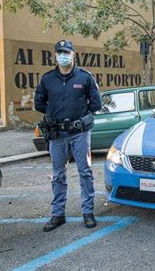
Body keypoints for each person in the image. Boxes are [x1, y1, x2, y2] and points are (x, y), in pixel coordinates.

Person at [35, 40, 102, 232]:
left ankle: (88, 212)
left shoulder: (85, 77)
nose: (62, 56)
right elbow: (38, 103)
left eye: (66, 52)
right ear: (55, 55)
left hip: (79, 133)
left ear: (73, 55)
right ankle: (58, 215)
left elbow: (96, 104)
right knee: (58, 175)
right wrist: (54, 113)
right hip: (56, 134)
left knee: (85, 172)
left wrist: (80, 118)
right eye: (59, 53)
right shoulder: (47, 79)